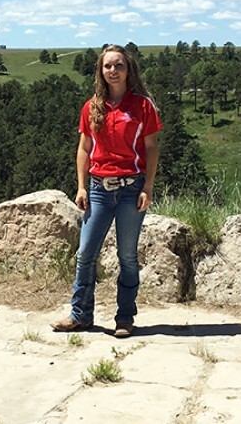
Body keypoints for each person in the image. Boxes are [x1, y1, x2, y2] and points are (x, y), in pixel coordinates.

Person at [52, 44, 161, 339]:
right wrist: (81, 186)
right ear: (100, 71)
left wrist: (148, 188)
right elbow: (84, 148)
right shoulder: (91, 107)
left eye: (119, 66)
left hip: (131, 188)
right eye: (108, 66)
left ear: (129, 70)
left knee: (127, 256)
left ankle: (125, 318)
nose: (113, 71)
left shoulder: (143, 106)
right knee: (86, 253)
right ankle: (80, 315)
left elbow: (151, 149)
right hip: (99, 189)